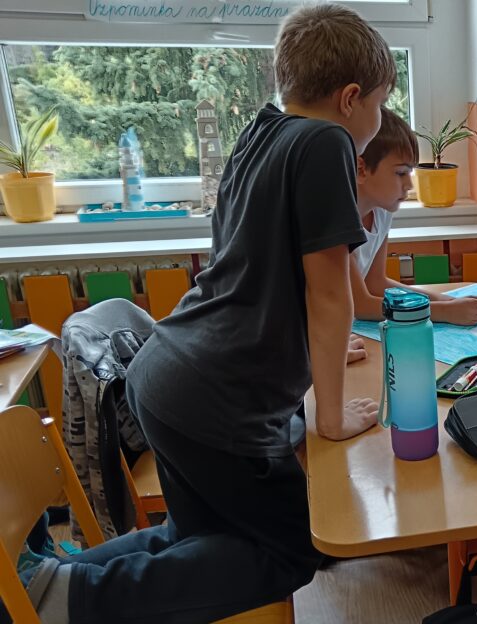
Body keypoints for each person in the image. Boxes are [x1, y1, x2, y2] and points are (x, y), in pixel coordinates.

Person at [9, 5, 394, 622]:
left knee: (204, 539)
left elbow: (258, 275)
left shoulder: (262, 131)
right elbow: (328, 295)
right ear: (351, 99)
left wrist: (308, 360)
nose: (378, 118)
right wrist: (328, 417)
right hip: (217, 400)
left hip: (170, 372)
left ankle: (44, 582)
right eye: (379, 102)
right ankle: (73, 598)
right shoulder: (326, 141)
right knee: (294, 547)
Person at [349, 108, 477, 325]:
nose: (409, 185)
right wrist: (443, 311)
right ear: (361, 169)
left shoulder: (382, 212)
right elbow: (360, 305)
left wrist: (447, 300)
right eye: (400, 173)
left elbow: (376, 283)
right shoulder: (339, 222)